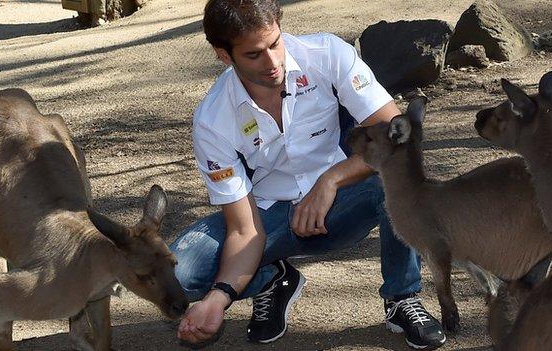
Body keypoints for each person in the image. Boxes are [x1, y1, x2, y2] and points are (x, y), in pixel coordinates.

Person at [170, 0, 446, 349]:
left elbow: (396, 137)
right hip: (268, 218)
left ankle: (402, 297)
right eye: (254, 55)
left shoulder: (328, 54)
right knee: (180, 274)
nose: (272, 62)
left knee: (394, 178)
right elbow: (243, 228)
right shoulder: (212, 119)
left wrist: (330, 180)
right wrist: (218, 298)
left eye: (274, 43)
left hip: (347, 201)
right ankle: (273, 280)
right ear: (224, 55)